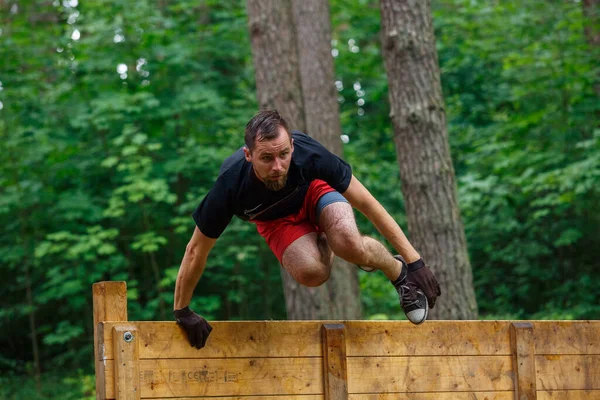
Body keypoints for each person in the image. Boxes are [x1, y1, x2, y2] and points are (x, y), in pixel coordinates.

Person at [173, 110, 441, 349]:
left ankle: (397, 272)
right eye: (266, 158)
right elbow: (195, 250)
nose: (278, 167)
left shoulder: (311, 155)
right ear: (248, 155)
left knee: (348, 242)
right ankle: (325, 237)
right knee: (312, 274)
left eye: (283, 155)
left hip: (314, 193)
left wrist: (414, 261)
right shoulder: (230, 185)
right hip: (275, 221)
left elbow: (368, 204)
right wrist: (182, 311)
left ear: (292, 146)